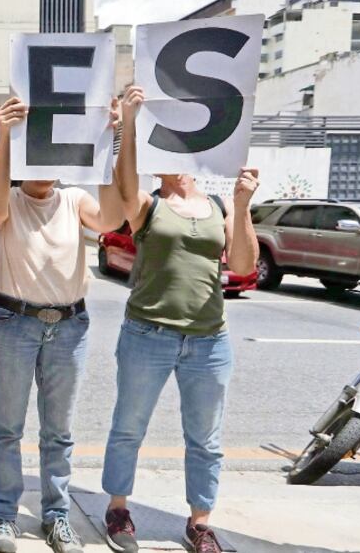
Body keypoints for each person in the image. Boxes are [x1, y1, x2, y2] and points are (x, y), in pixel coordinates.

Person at [101, 86, 259, 553]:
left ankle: (199, 522)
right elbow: (125, 186)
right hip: (147, 333)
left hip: (210, 341)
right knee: (129, 427)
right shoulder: (148, 205)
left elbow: (246, 265)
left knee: (205, 439)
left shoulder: (219, 207)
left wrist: (244, 203)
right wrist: (127, 125)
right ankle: (117, 509)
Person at [0, 97, 124, 553]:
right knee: (8, 426)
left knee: (58, 431)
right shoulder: (10, 201)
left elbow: (113, 218)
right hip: (12, 323)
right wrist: (4, 135)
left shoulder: (75, 199)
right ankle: (5, 514)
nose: (43, 168)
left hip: (69, 328)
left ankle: (56, 515)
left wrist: (112, 140)